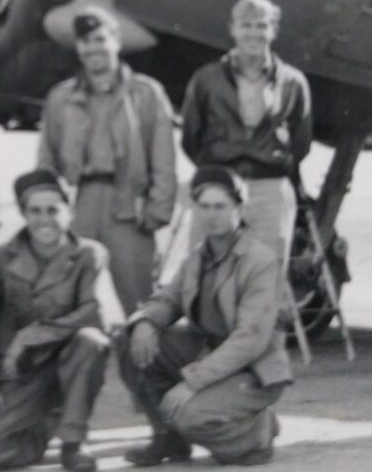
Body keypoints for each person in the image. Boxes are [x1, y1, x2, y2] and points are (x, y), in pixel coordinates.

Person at [119, 166, 292, 467]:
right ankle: (168, 437)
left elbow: (249, 340)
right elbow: (168, 299)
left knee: (192, 417)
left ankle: (259, 432)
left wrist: (192, 382)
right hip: (212, 356)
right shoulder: (198, 256)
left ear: (239, 208)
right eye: (205, 206)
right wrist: (146, 321)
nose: (212, 215)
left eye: (220, 206)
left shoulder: (259, 260)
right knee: (127, 338)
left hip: (253, 369)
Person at [0, 168, 112, 472]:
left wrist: (31, 335)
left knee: (92, 341)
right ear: (23, 214)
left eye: (53, 210)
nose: (45, 219)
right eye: (35, 211)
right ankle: (42, 425)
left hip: (66, 365)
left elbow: (96, 314)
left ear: (69, 211)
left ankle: (73, 439)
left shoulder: (89, 255)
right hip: (19, 372)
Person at [38, 6, 177, 317]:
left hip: (128, 208)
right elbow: (46, 161)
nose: (94, 49)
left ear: (116, 41)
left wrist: (157, 211)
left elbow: (164, 160)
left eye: (101, 39)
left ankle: (142, 364)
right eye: (86, 42)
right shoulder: (60, 98)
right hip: (80, 205)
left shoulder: (146, 94)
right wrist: (48, 215)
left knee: (139, 303)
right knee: (68, 299)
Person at [180, 0, 312, 263]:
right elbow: (190, 137)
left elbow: (301, 141)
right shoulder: (206, 79)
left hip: (270, 190)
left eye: (261, 26)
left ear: (273, 30)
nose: (254, 33)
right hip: (217, 188)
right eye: (246, 25)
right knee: (206, 277)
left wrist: (269, 163)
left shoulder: (293, 82)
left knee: (265, 281)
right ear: (233, 29)